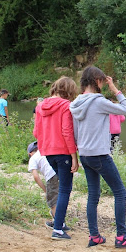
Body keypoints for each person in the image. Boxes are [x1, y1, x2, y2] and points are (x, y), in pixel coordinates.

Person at [70, 66, 126, 249]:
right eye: (102, 81)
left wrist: (76, 155)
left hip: (85, 155)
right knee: (120, 192)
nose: (103, 83)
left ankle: (94, 236)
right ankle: (121, 237)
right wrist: (115, 89)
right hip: (100, 154)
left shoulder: (76, 103)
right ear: (97, 80)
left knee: (93, 195)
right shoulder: (98, 101)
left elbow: (75, 133)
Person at [33, 77, 79, 240]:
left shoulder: (40, 106)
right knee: (65, 189)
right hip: (63, 152)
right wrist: (74, 156)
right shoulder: (66, 105)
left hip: (48, 153)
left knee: (61, 187)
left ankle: (58, 222)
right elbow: (67, 132)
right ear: (69, 90)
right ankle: (58, 229)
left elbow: (36, 132)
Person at [27, 141, 69, 231]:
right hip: (60, 171)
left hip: (51, 175)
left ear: (30, 153)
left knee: (52, 201)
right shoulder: (44, 150)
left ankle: (59, 224)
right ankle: (59, 221)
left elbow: (36, 176)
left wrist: (45, 189)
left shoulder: (33, 158)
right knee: (60, 197)